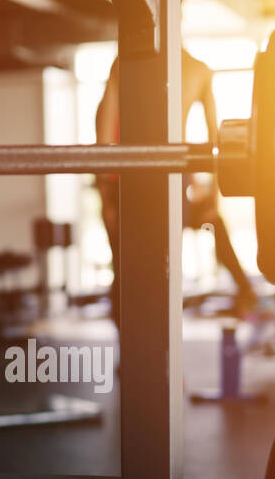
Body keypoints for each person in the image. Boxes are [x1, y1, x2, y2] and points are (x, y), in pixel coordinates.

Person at [94, 48, 257, 322]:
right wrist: (211, 192)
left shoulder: (126, 63)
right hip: (166, 171)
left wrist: (105, 191)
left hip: (134, 171)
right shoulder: (198, 68)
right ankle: (246, 291)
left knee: (128, 267)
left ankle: (245, 291)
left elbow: (104, 126)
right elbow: (215, 140)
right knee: (168, 256)